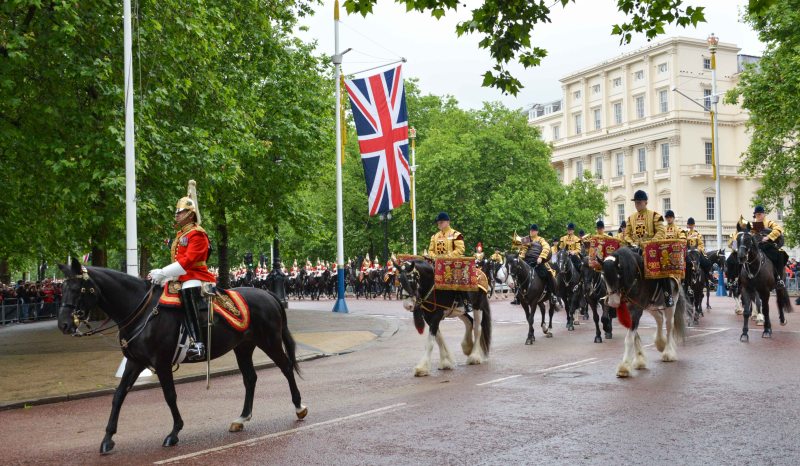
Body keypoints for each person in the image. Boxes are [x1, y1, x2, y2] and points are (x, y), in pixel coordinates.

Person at [149, 180, 215, 361]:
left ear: (190, 214)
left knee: (187, 293)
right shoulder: (181, 235)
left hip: (197, 275)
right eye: (177, 212)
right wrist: (161, 273)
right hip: (182, 275)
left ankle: (198, 343)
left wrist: (163, 271)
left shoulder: (197, 234)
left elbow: (188, 261)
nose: (177, 215)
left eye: (181, 212)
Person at [623, 190, 673, 306]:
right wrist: (632, 243)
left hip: (651, 249)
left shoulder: (655, 216)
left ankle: (667, 295)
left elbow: (661, 232)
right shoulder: (631, 218)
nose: (637, 205)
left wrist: (650, 243)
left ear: (646, 202)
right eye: (635, 203)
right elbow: (627, 234)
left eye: (639, 202)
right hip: (635, 248)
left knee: (661, 269)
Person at [518, 224, 558, 306]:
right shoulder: (526, 239)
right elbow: (523, 250)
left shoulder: (541, 239)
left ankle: (553, 294)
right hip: (527, 261)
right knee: (518, 273)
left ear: (537, 231)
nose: (531, 232)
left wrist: (541, 257)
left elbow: (546, 248)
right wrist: (520, 258)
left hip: (538, 261)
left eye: (533, 231)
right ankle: (517, 294)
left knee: (548, 274)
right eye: (531, 230)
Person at [753, 205, 787, 288]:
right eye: (756, 215)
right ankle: (738, 280)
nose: (758, 216)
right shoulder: (755, 224)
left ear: (764, 214)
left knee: (780, 256)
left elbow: (778, 229)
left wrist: (768, 237)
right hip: (758, 246)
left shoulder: (769, 223)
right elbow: (753, 236)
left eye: (759, 214)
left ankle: (779, 278)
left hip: (769, 246)